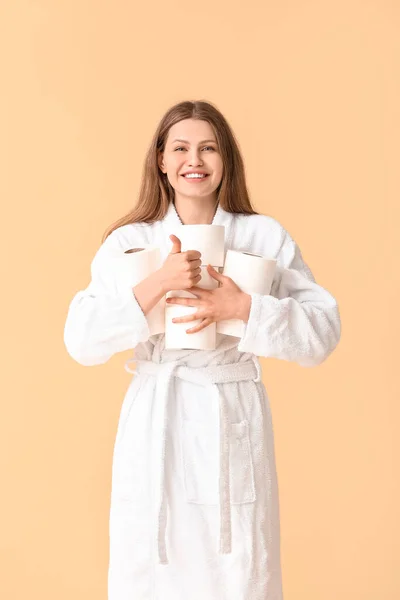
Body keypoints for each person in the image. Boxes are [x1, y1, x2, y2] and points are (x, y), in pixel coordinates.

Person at [63, 100, 341, 600]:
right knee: (152, 563)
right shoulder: (130, 242)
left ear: (225, 159)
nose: (196, 159)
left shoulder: (264, 236)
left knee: (237, 570)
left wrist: (244, 308)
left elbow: (321, 334)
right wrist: (155, 285)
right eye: (182, 148)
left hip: (228, 415)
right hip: (157, 420)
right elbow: (80, 340)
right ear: (162, 161)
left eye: (209, 148)